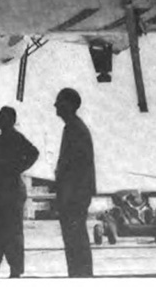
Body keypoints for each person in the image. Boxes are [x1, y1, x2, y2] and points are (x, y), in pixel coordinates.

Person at [0, 106, 39, 278]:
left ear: (8, 120)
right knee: (5, 230)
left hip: (10, 189)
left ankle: (13, 269)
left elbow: (33, 153)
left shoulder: (12, 138)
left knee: (8, 230)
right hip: (5, 188)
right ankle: (10, 269)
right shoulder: (3, 138)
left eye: (1, 116)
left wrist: (17, 168)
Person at [54, 88, 95, 278]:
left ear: (69, 105)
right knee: (75, 237)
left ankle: (81, 276)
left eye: (59, 102)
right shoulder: (73, 127)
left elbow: (75, 168)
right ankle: (79, 275)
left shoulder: (74, 129)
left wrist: (66, 195)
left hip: (73, 194)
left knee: (75, 237)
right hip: (74, 193)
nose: (56, 105)